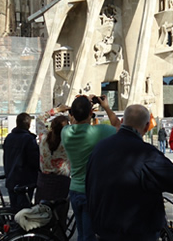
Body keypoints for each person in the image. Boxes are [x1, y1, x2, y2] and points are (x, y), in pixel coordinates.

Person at [86, 104, 173, 241]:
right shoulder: (145, 153)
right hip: (135, 230)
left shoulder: (100, 147)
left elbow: (89, 184)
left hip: (103, 228)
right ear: (147, 127)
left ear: (122, 121)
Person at [61, 95, 121, 241]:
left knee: (82, 234)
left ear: (72, 114)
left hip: (74, 189)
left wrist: (80, 106)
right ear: (90, 113)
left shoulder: (66, 132)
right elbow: (118, 126)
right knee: (88, 236)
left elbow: (74, 120)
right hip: (91, 191)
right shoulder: (99, 132)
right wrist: (106, 107)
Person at [35, 113, 71, 236]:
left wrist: (56, 110)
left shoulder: (43, 138)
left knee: (42, 218)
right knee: (60, 221)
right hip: (61, 184)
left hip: (43, 182)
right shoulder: (67, 142)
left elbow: (39, 119)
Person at [3, 112, 39, 213]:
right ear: (28, 124)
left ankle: (12, 227)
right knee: (23, 212)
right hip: (25, 181)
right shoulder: (28, 139)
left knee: (14, 210)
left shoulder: (9, 137)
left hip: (11, 179)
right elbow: (34, 161)